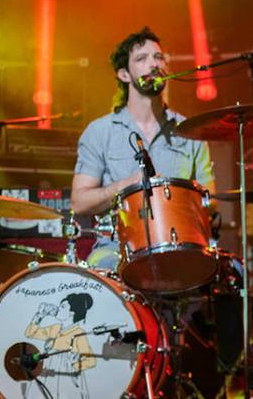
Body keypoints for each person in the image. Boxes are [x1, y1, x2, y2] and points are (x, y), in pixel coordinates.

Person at [70, 26, 215, 270]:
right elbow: (80, 202)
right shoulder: (99, 132)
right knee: (101, 265)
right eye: (142, 59)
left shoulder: (191, 132)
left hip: (178, 246)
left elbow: (210, 200)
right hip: (116, 248)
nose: (153, 64)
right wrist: (127, 186)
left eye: (158, 57)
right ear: (124, 75)